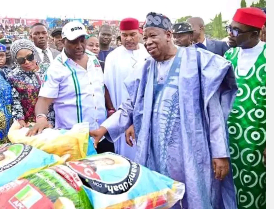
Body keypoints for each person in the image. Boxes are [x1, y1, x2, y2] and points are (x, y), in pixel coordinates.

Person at [90, 12, 237, 209]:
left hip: (192, 152)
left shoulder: (197, 61)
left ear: (168, 34)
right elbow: (129, 106)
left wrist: (220, 153)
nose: (148, 42)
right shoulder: (146, 69)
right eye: (145, 38)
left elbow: (214, 111)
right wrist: (104, 129)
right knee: (161, 198)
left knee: (194, 197)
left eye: (152, 36)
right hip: (155, 153)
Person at [30, 22, 110, 152]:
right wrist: (41, 118)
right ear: (63, 41)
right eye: (73, 42)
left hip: (101, 135)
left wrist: (111, 109)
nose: (79, 46)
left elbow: (101, 89)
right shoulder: (56, 69)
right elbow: (44, 100)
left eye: (82, 41)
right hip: (73, 142)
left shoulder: (93, 60)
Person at [224, 8, 266, 209]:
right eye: (230, 28)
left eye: (235, 31)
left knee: (256, 190)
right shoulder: (229, 55)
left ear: (254, 34)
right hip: (229, 140)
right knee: (230, 189)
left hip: (259, 142)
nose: (230, 34)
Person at [102, 18, 148, 160]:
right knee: (124, 154)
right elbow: (107, 86)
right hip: (121, 114)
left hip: (145, 114)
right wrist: (112, 111)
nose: (128, 38)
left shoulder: (148, 53)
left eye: (132, 34)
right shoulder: (113, 57)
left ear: (139, 34)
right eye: (124, 35)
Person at [7, 39, 42, 125]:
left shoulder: (45, 70)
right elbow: (15, 100)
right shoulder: (12, 76)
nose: (27, 62)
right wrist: (20, 119)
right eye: (21, 60)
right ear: (16, 60)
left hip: (48, 119)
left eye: (30, 57)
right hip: (27, 122)